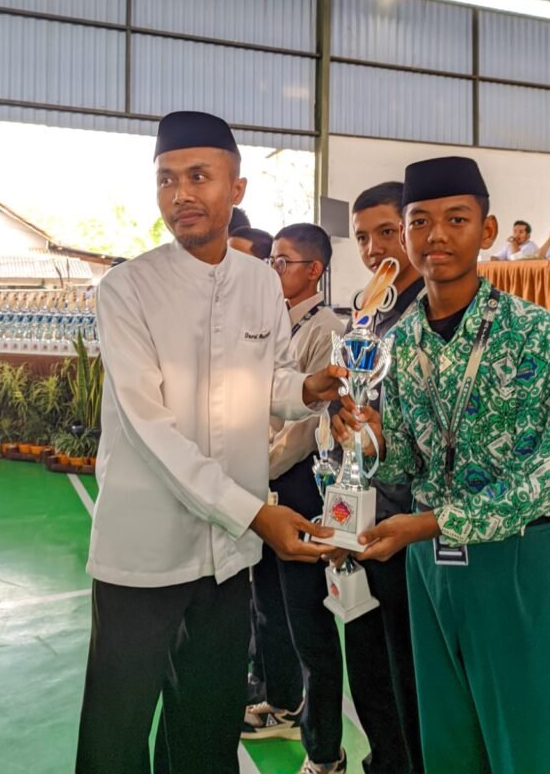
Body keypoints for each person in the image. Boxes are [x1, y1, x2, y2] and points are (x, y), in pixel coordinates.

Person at [75, 111, 342, 774]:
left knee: (205, 729)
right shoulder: (127, 289)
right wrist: (255, 514)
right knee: (115, 733)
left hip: (226, 559)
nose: (181, 194)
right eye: (167, 179)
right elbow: (150, 429)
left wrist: (310, 389)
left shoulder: (258, 282)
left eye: (199, 176)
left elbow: (268, 378)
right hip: (145, 550)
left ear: (237, 187)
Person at [334, 156, 550, 774]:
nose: (436, 235)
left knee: (528, 744)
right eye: (420, 221)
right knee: (448, 741)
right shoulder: (399, 341)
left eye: (457, 219)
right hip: (430, 565)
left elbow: (541, 476)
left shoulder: (532, 332)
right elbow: (406, 462)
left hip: (514, 560)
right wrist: (371, 441)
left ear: (487, 230)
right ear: (406, 234)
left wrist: (429, 523)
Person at [243, 223, 348, 774]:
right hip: (263, 482)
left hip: (299, 484)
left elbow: (303, 427)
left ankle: (324, 749)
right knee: (267, 607)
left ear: (314, 270)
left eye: (282, 261)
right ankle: (281, 703)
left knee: (308, 621)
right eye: (272, 261)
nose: (273, 270)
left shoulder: (326, 330)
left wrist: (252, 470)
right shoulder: (272, 322)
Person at [333, 181, 425, 774]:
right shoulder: (367, 311)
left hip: (408, 519)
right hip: (360, 505)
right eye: (363, 237)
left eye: (387, 232)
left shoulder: (431, 312)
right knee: (367, 659)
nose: (374, 249)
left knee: (406, 666)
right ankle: (384, 760)